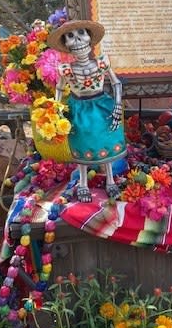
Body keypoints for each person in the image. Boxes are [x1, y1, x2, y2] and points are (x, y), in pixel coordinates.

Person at [47, 19, 127, 202]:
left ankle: (110, 180)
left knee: (106, 140)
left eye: (81, 34)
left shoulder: (102, 63)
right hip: (78, 109)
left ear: (90, 39)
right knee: (81, 142)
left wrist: (117, 105)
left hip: (101, 105)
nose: (77, 41)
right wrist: (57, 111)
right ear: (66, 45)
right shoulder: (65, 69)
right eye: (70, 37)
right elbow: (59, 89)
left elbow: (116, 83)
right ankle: (83, 183)